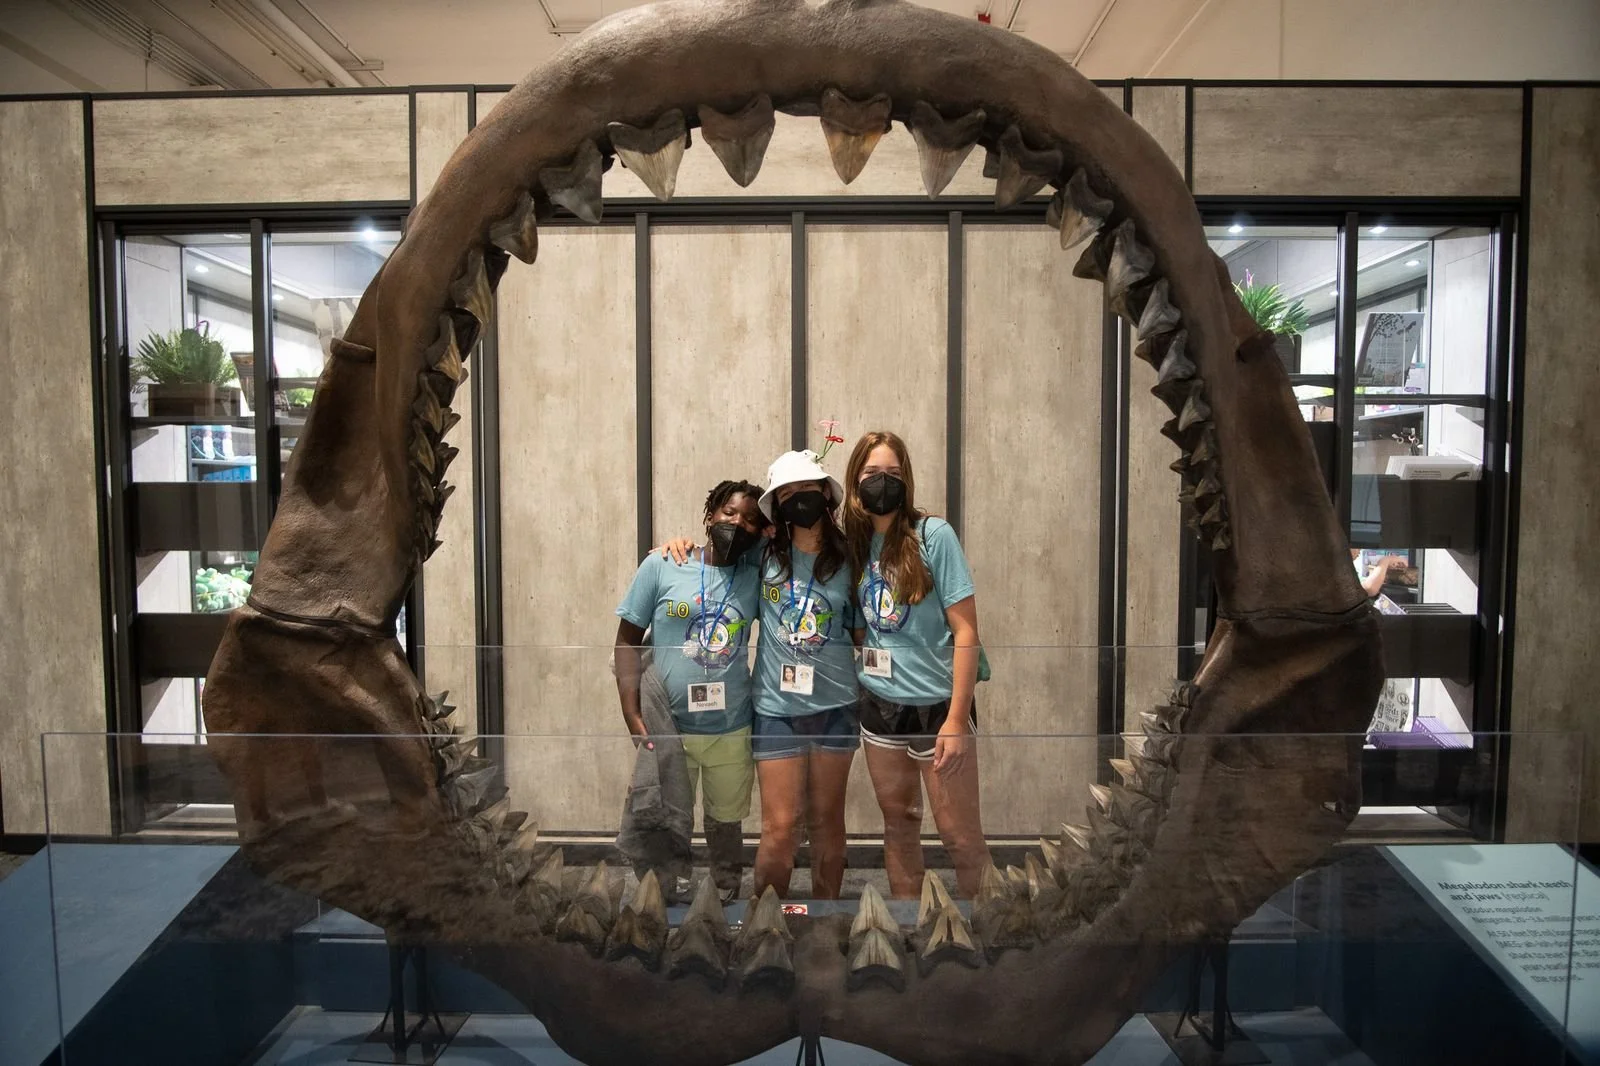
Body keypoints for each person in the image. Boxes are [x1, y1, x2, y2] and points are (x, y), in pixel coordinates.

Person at [660, 450, 864, 899]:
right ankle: (769, 919)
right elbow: (713, 562)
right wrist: (675, 548)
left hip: (837, 708)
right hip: (775, 710)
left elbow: (864, 632)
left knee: (828, 823)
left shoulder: (850, 559)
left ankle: (824, 920)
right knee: (779, 827)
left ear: (825, 495)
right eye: (786, 495)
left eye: (806, 492)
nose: (798, 501)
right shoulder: (763, 557)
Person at [843, 430, 990, 898]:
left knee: (960, 837)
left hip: (937, 708)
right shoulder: (854, 543)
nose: (880, 483)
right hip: (880, 706)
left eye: (891, 474)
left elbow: (966, 631)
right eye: (871, 474)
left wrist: (955, 721)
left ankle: (987, 937)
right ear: (854, 480)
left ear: (905, 480)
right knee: (899, 827)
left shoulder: (933, 535)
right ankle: (909, 930)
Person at [615, 479, 764, 902]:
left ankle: (726, 890)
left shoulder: (755, 575)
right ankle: (667, 891)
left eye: (751, 519)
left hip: (730, 727)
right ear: (709, 516)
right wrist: (631, 711)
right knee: (666, 815)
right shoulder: (662, 566)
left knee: (725, 820)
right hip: (670, 727)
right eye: (729, 513)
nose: (737, 523)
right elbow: (626, 639)